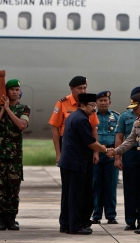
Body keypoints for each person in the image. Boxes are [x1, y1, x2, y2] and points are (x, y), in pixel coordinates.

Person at [49, 76, 99, 232]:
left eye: (85, 87)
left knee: (84, 190)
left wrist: (95, 152)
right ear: (72, 89)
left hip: (84, 149)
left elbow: (93, 129)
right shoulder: (63, 103)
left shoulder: (88, 105)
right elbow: (55, 130)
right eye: (80, 88)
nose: (83, 90)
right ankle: (72, 222)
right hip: (72, 149)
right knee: (73, 190)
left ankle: (77, 221)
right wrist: (59, 153)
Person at [59, 93, 112, 235]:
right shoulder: (82, 119)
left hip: (68, 162)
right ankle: (75, 226)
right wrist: (106, 150)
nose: (94, 108)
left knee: (68, 195)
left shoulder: (72, 116)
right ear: (82, 106)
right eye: (92, 105)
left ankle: (65, 224)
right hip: (76, 163)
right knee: (76, 195)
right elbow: (90, 142)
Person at [0, 79, 30, 230]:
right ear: (6, 92)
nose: (15, 92)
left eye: (17, 89)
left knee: (13, 189)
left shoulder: (24, 109)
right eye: (12, 89)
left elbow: (22, 125)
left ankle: (12, 218)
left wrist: (8, 110)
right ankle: (1, 219)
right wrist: (2, 110)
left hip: (14, 156)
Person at [111, 93, 140, 235]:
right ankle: (130, 220)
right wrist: (117, 154)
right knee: (130, 187)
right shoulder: (130, 118)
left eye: (136, 107)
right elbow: (125, 138)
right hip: (131, 154)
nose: (134, 111)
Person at [91, 91, 119, 225]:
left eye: (105, 100)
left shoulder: (116, 117)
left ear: (110, 102)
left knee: (111, 185)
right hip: (95, 154)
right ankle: (96, 215)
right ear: (96, 102)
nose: (103, 102)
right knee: (96, 185)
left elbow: (120, 136)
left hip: (111, 153)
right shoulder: (91, 116)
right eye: (100, 100)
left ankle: (111, 215)